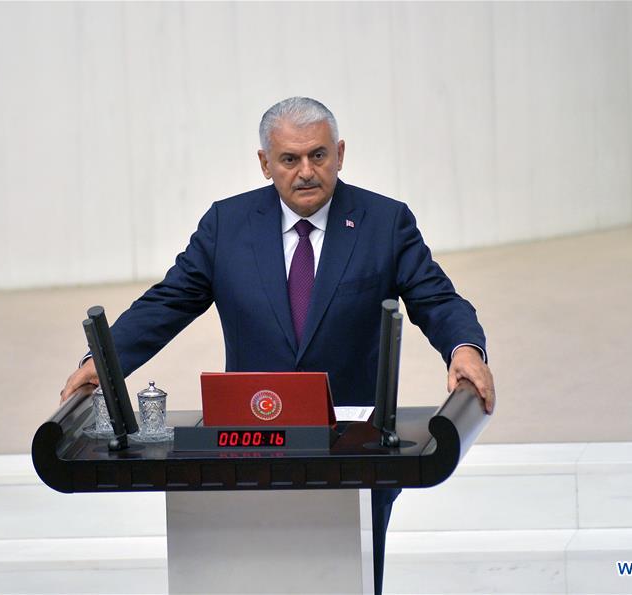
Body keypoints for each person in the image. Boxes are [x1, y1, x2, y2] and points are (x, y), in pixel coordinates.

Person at [61, 96, 495, 595]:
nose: (306, 171)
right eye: (290, 159)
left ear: (341, 154)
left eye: (319, 155)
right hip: (247, 449)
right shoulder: (227, 225)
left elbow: (435, 297)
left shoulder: (383, 222)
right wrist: (104, 362)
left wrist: (464, 348)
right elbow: (168, 302)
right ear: (265, 163)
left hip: (353, 454)